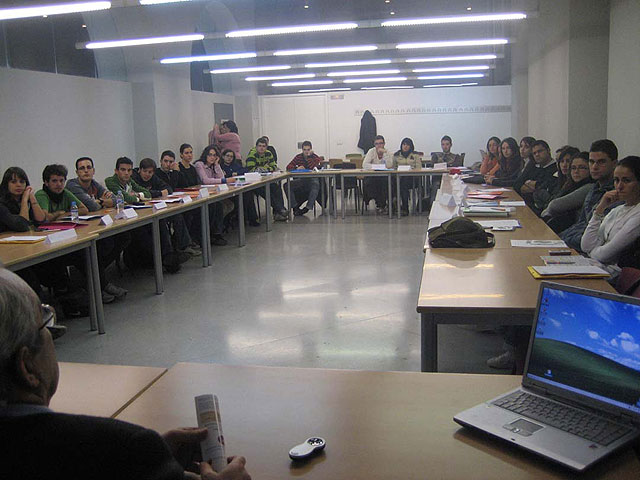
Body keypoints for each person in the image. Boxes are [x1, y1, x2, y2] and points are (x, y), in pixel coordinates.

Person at [0, 268, 252, 480]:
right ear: (27, 367)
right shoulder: (129, 448)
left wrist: (156, 457)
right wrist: (143, 456)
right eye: (45, 322)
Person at [105, 157, 187, 273]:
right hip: (119, 219)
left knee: (160, 221)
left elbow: (147, 193)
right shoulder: (110, 181)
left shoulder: (129, 181)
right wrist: (137, 197)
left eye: (129, 170)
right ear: (116, 171)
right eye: (123, 170)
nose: (126, 173)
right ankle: (160, 258)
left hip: (134, 214)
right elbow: (127, 197)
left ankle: (167, 256)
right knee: (142, 231)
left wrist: (136, 196)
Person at [66, 157, 130, 301]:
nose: (86, 171)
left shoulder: (94, 184)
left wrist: (99, 201)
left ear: (93, 171)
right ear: (77, 172)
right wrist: (101, 202)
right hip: (78, 230)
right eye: (82, 168)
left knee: (124, 236)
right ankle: (100, 284)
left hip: (93, 223)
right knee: (101, 245)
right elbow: (92, 206)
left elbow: (115, 200)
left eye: (89, 167)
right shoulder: (72, 185)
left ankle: (91, 275)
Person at [581, 156, 640, 278]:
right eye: (616, 180)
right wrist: (600, 208)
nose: (619, 186)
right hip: (597, 267)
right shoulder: (616, 210)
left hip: (616, 278)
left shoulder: (638, 214)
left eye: (626, 181)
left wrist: (592, 252)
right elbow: (585, 245)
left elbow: (603, 255)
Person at [133, 158, 201, 256]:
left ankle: (183, 246)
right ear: (139, 170)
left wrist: (154, 193)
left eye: (150, 172)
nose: (147, 174)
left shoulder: (153, 178)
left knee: (178, 216)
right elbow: (140, 193)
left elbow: (168, 188)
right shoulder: (134, 179)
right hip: (141, 212)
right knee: (161, 223)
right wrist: (159, 193)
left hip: (155, 207)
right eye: (145, 171)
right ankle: (167, 254)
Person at [560, 139, 619, 251]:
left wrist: (564, 241)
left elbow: (598, 235)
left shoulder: (616, 194)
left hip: (589, 252)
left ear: (614, 164)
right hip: (573, 243)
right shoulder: (594, 188)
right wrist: (558, 239)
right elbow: (581, 223)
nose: (595, 167)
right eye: (591, 162)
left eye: (601, 162)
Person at [541, 151, 595, 232]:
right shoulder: (570, 185)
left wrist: (545, 212)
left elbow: (554, 205)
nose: (576, 171)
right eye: (573, 168)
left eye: (582, 167)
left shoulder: (589, 187)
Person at [194, 146, 230, 246]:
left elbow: (221, 177)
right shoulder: (199, 164)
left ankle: (216, 233)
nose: (212, 157)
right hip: (201, 195)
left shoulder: (214, 165)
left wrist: (217, 165)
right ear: (205, 155)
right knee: (215, 207)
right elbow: (205, 181)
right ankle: (210, 234)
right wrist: (223, 181)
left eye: (214, 155)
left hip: (212, 194)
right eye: (210, 155)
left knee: (224, 205)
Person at [245, 137, 288, 222]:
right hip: (255, 183)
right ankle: (281, 210)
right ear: (256, 147)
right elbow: (250, 168)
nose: (261, 148)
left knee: (276, 188)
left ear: (266, 147)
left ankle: (279, 213)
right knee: (266, 191)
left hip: (266, 179)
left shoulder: (268, 153)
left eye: (264, 146)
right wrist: (265, 168)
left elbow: (274, 166)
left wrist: (264, 168)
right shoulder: (252, 154)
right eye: (259, 146)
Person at [512, 139, 558, 212]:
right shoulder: (535, 167)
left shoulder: (555, 168)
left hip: (541, 210)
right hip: (527, 206)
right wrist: (532, 186)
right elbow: (517, 184)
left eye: (540, 151)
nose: (537, 155)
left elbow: (544, 188)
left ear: (548, 150)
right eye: (534, 153)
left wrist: (532, 185)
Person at [533, 146, 580, 215]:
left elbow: (553, 204)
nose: (564, 165)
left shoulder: (577, 184)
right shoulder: (561, 180)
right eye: (561, 161)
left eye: (568, 161)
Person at [220, 149, 260, 227]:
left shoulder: (235, 165)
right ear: (223, 156)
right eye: (227, 156)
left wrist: (237, 173)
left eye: (231, 156)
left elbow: (245, 170)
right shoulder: (220, 166)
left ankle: (252, 219)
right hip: (228, 190)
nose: (229, 158)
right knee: (242, 198)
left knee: (248, 194)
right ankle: (241, 219)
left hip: (238, 187)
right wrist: (230, 174)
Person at [0, 167, 46, 232]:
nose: (18, 185)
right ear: (6, 184)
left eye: (22, 182)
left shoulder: (25, 200)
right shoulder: (1, 204)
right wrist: (24, 200)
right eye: (13, 182)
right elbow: (21, 226)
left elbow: (41, 221)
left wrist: (32, 198)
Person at [286, 140, 322, 216]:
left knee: (316, 184)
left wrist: (309, 156)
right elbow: (288, 167)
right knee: (286, 185)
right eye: (304, 150)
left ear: (311, 149)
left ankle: (307, 208)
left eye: (308, 150)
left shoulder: (315, 157)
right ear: (302, 150)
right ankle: (295, 207)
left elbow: (314, 167)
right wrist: (297, 167)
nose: (306, 152)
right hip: (301, 180)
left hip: (311, 180)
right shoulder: (298, 157)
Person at [362, 135, 393, 214]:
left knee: (386, 183)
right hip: (373, 175)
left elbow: (390, 165)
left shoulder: (388, 152)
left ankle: (382, 205)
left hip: (385, 176)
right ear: (374, 145)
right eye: (377, 144)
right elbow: (365, 164)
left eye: (381, 143)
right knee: (369, 183)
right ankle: (380, 204)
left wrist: (384, 154)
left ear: (384, 144)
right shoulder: (371, 151)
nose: (379, 145)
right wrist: (375, 166)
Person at [392, 137, 421, 216]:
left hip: (412, 178)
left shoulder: (415, 155)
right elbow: (393, 168)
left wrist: (411, 170)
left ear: (411, 146)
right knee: (393, 181)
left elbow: (419, 168)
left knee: (403, 183)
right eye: (404, 144)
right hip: (399, 178)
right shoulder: (396, 155)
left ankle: (403, 206)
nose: (405, 146)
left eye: (407, 145)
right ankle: (395, 205)